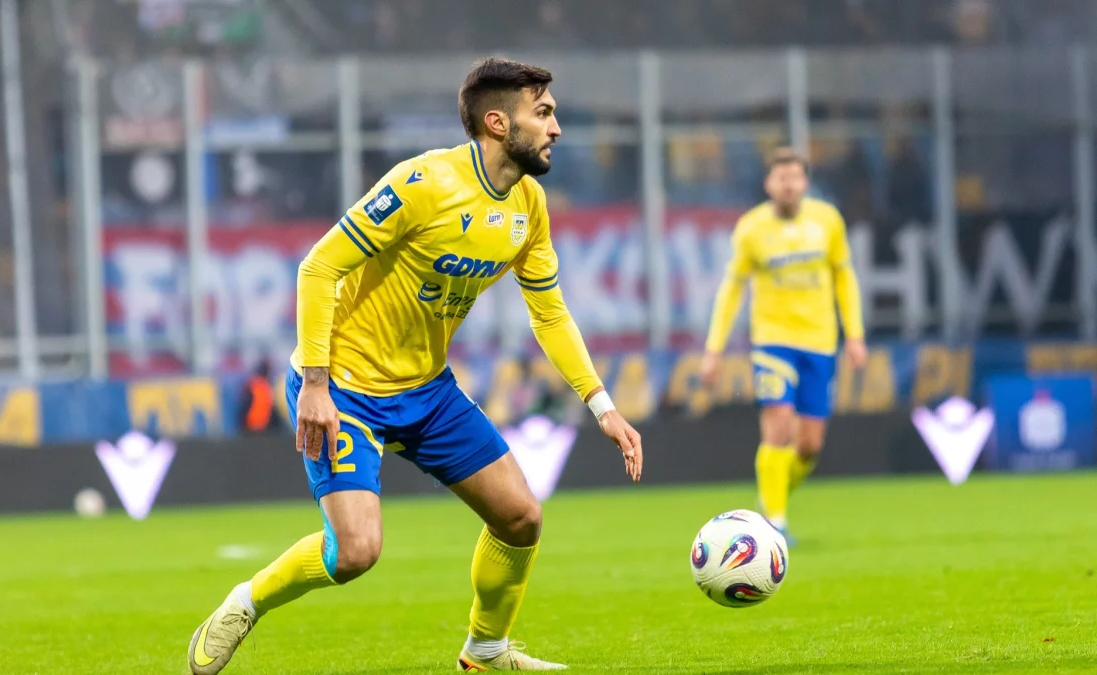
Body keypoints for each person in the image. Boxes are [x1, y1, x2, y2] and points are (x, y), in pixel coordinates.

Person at [188, 57, 644, 674]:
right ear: (497, 122)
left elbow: (550, 313)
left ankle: (485, 650)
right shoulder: (422, 183)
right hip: (344, 386)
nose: (556, 128)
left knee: (520, 517)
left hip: (427, 390)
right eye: (542, 113)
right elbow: (319, 268)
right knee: (355, 552)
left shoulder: (529, 204)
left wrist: (602, 405)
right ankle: (246, 603)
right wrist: (315, 385)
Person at [700, 147, 867, 543]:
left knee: (809, 445)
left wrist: (855, 334)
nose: (789, 185)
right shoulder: (752, 228)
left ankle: (771, 496)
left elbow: (844, 278)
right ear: (768, 184)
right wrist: (714, 349)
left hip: (820, 341)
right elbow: (732, 289)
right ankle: (775, 520)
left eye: (795, 177)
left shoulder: (827, 221)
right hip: (773, 341)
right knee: (777, 420)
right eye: (781, 178)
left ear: (805, 182)